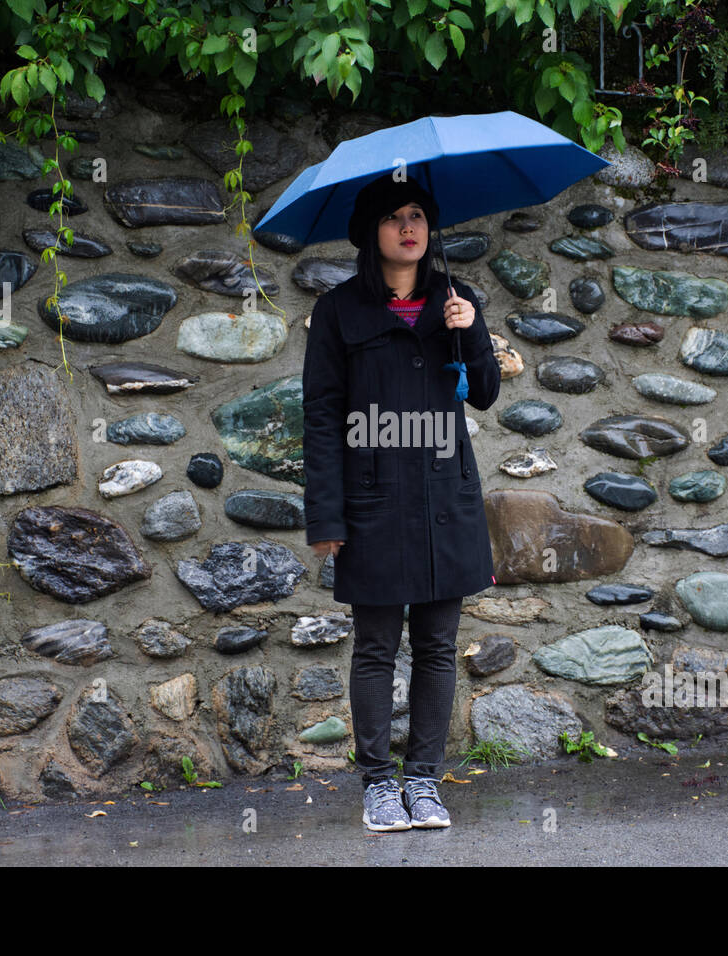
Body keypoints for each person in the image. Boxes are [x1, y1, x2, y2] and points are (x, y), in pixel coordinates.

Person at [301, 173, 501, 832]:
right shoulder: (338, 312)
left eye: (417, 215)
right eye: (394, 217)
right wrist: (327, 517)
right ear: (371, 232)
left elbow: (485, 394)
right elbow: (323, 417)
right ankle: (379, 784)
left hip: (447, 499)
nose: (408, 227)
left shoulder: (457, 300)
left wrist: (470, 332)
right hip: (374, 502)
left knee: (440, 647)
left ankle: (423, 780)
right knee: (377, 647)